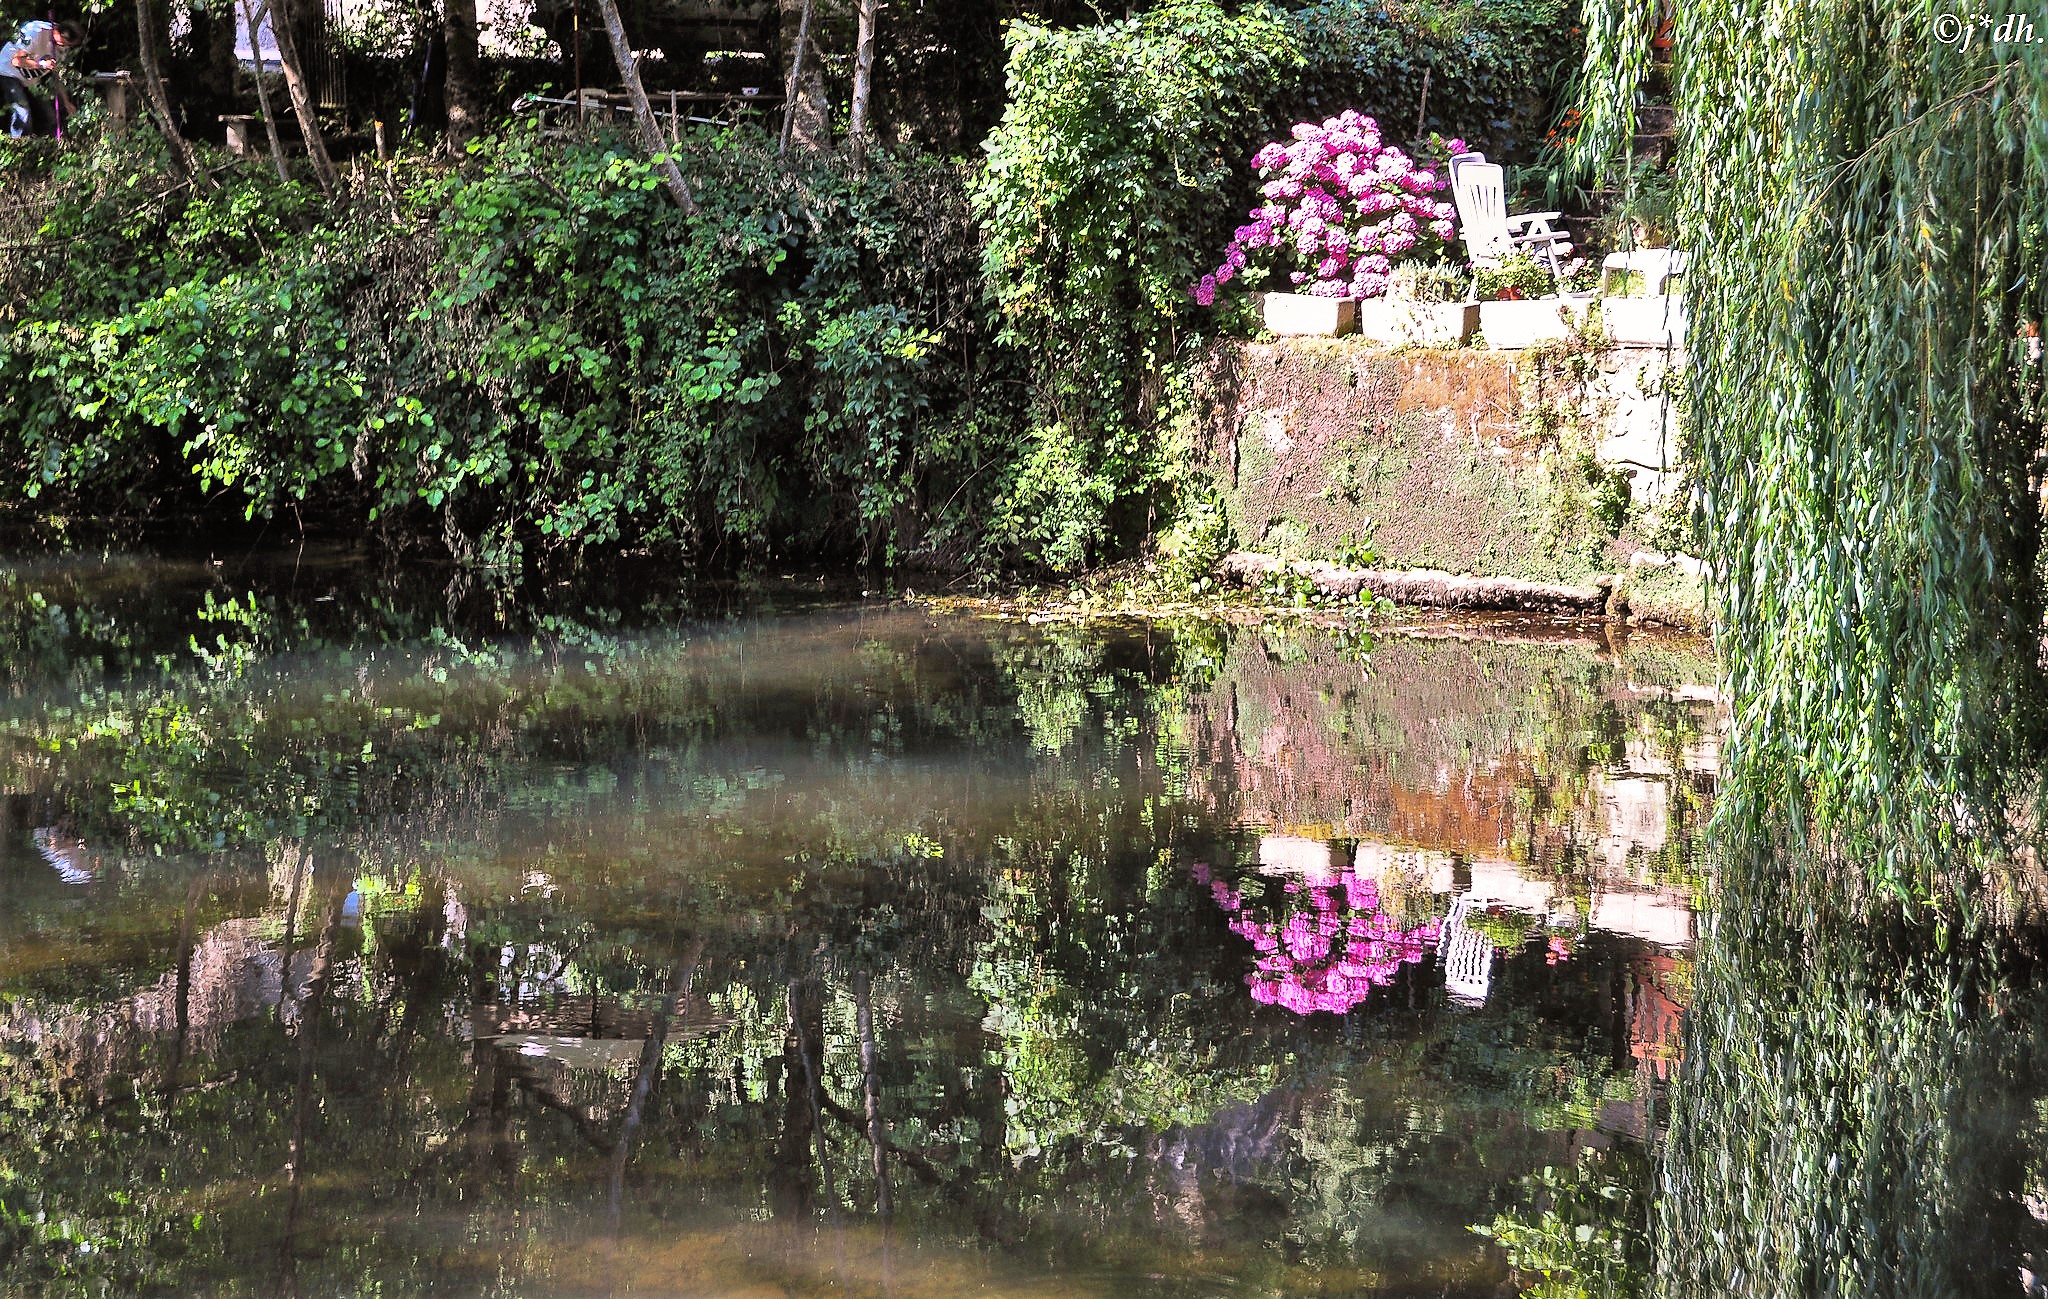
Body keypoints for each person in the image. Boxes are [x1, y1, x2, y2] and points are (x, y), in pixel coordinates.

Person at [1, 18, 78, 138]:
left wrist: (66, 102)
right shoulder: (36, 31)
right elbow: (16, 60)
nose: (66, 47)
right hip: (8, 71)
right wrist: (42, 64)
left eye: (70, 45)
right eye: (65, 43)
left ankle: (49, 147)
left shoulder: (62, 47)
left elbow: (56, 76)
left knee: (50, 116)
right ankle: (19, 146)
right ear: (59, 33)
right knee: (23, 113)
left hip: (30, 80)